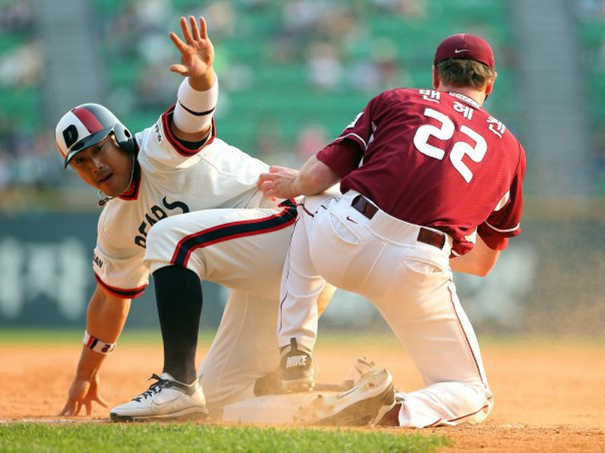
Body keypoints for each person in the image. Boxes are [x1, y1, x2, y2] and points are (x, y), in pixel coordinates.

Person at [56, 16, 333, 422]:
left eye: (100, 149)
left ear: (122, 138)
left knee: (168, 236)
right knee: (223, 398)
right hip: (268, 281)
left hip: (296, 233)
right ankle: (341, 402)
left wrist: (202, 78)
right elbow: (109, 300)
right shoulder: (115, 223)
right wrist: (84, 374)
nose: (95, 165)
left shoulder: (158, 149)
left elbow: (193, 114)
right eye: (81, 162)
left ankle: (177, 382)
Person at [259, 33, 527, 428]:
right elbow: (484, 262)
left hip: (343, 238)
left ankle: (296, 350)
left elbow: (317, 177)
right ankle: (394, 408)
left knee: (311, 203)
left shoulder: (399, 99)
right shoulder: (511, 150)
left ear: (436, 76)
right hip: (419, 266)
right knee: (472, 394)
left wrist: (295, 184)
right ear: (490, 83)